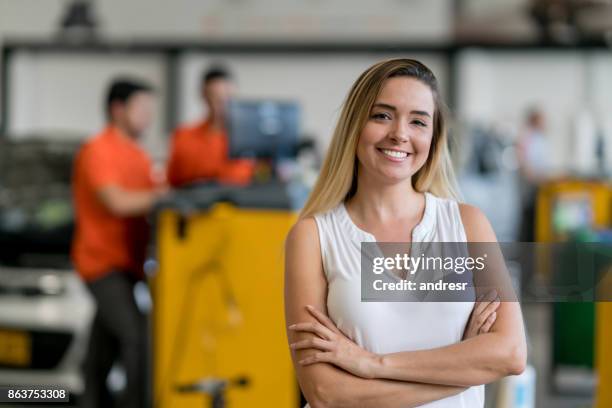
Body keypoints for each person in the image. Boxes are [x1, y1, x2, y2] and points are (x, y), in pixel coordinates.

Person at [284, 59, 527, 407]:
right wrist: (463, 370)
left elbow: (511, 353)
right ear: (355, 125)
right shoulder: (312, 237)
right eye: (382, 115)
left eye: (418, 121)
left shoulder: (467, 225)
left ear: (433, 136)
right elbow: (327, 393)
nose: (400, 133)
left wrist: (372, 364)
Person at [72, 78, 167, 408]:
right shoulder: (98, 150)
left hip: (129, 265)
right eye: (141, 109)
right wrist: (163, 198)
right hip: (102, 264)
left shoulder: (139, 157)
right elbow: (117, 202)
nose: (148, 116)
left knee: (100, 354)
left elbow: (151, 199)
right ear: (117, 109)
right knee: (138, 340)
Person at [166, 65, 255, 187]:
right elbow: (173, 182)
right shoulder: (184, 137)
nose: (223, 104)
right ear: (204, 95)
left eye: (228, 97)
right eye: (216, 98)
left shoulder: (251, 138)